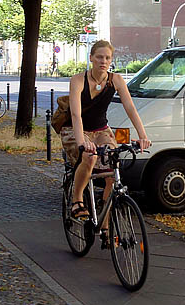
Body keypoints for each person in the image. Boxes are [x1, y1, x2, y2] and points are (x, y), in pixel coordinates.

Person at [60, 40, 151, 246]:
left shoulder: (116, 80)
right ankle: (77, 201)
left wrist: (142, 136)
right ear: (91, 58)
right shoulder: (78, 80)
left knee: (113, 169)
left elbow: (130, 108)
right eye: (99, 57)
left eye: (107, 57)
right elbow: (75, 114)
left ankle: (106, 226)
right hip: (75, 130)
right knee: (90, 157)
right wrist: (83, 142)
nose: (103, 61)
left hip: (101, 129)